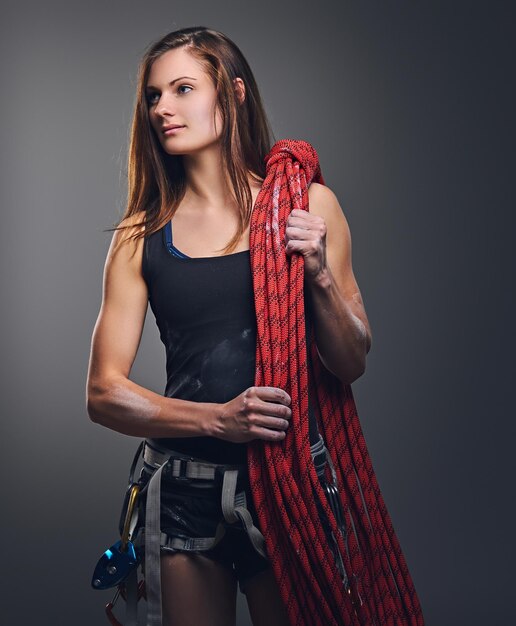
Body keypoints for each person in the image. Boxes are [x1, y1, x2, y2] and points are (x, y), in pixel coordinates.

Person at [86, 26, 372, 626]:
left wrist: (316, 272)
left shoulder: (308, 208)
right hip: (183, 489)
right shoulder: (140, 237)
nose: (162, 108)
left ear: (233, 93)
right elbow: (104, 393)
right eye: (154, 96)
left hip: (290, 480)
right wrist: (218, 419)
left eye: (182, 88)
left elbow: (350, 362)